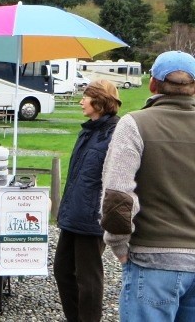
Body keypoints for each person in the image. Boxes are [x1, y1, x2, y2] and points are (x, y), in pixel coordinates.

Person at [101, 50, 195, 321]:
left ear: (152, 84)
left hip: (153, 259)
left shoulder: (134, 125)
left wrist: (118, 244)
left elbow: (117, 195)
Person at [53, 79, 120, 322]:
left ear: (100, 101)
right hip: (74, 214)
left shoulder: (114, 134)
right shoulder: (88, 131)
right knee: (62, 270)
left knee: (88, 277)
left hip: (92, 217)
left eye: (86, 97)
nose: (81, 101)